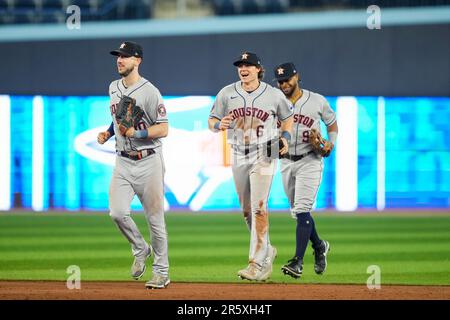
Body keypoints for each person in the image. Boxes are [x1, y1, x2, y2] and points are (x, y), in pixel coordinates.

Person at [208, 52, 294, 281]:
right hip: (238, 154)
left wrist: (284, 137)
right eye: (240, 65)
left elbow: (288, 118)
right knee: (247, 211)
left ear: (258, 69)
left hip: (265, 152)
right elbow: (212, 121)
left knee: (259, 207)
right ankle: (267, 250)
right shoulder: (227, 93)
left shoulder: (274, 94)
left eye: (248, 65)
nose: (243, 68)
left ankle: (256, 264)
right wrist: (219, 124)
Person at [97, 41, 170, 289]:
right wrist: (109, 133)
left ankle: (161, 272)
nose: (120, 60)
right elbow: (120, 120)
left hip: (148, 160)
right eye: (118, 56)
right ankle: (140, 248)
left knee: (155, 219)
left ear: (137, 60)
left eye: (125, 56)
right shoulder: (113, 87)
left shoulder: (150, 91)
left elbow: (164, 128)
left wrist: (136, 135)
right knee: (116, 212)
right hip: (122, 161)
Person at [274, 62, 338, 279]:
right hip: (286, 162)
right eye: (280, 81)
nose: (284, 84)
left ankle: (297, 262)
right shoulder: (275, 102)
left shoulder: (316, 100)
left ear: (297, 77)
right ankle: (319, 246)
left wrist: (331, 142)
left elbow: (332, 124)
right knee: (298, 213)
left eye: (287, 80)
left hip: (311, 160)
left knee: (302, 209)